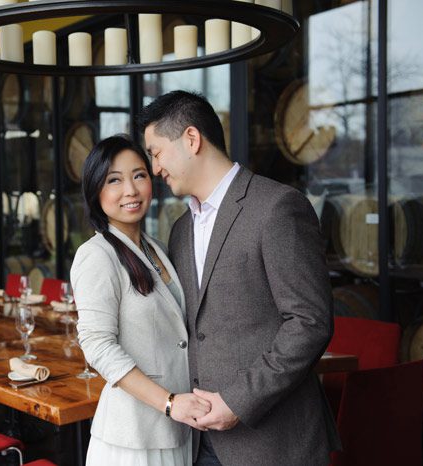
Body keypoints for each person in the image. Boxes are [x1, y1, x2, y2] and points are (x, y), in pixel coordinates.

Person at [138, 91, 340, 466]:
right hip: (199, 442)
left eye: (156, 151)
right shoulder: (180, 230)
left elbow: (309, 322)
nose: (155, 168)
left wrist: (238, 401)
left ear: (192, 139)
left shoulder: (277, 207)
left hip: (272, 442)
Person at [71, 134, 209, 465]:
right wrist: (169, 402)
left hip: (177, 429)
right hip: (133, 439)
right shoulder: (96, 255)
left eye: (139, 175)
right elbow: (98, 346)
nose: (130, 190)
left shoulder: (158, 248)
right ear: (95, 191)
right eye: (114, 180)